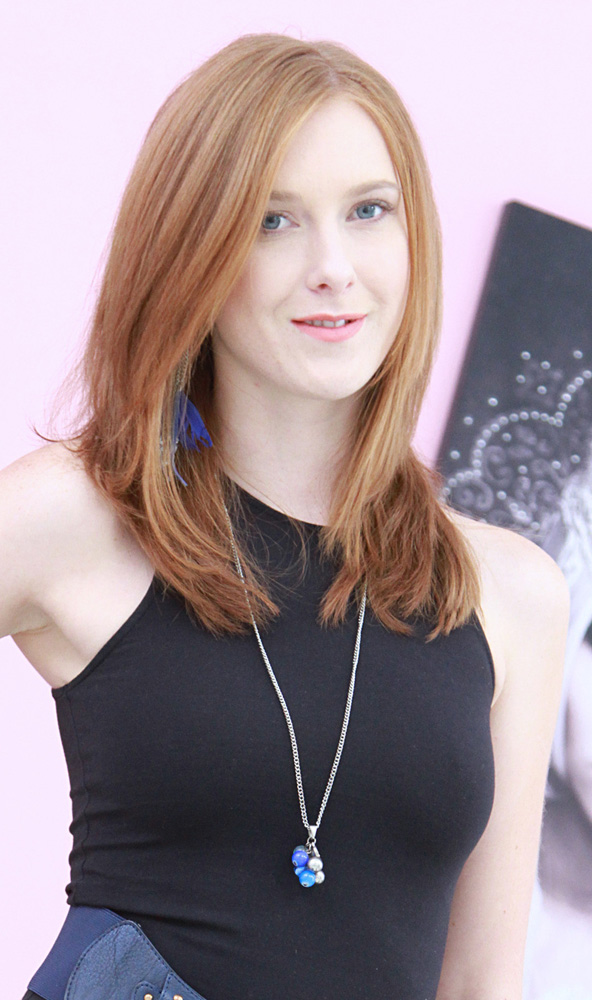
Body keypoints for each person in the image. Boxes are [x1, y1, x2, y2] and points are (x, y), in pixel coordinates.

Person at [1, 31, 568, 1000]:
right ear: (191, 250)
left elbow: (481, 982)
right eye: (272, 220)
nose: (332, 266)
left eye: (368, 210)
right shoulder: (79, 517)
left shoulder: (510, 592)